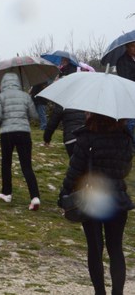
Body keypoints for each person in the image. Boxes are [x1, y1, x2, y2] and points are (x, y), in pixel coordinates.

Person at [58, 113, 134, 295]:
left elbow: (75, 170)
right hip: (117, 197)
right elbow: (125, 169)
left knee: (95, 248)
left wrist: (64, 194)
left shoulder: (86, 137)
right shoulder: (125, 137)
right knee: (116, 249)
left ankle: (99, 292)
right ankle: (118, 292)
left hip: (92, 197)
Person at [0, 72, 41, 210]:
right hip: (24, 133)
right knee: (26, 166)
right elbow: (35, 116)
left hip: (6, 133)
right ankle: (35, 197)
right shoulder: (25, 96)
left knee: (6, 163)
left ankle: (7, 192)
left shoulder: (0, 96)